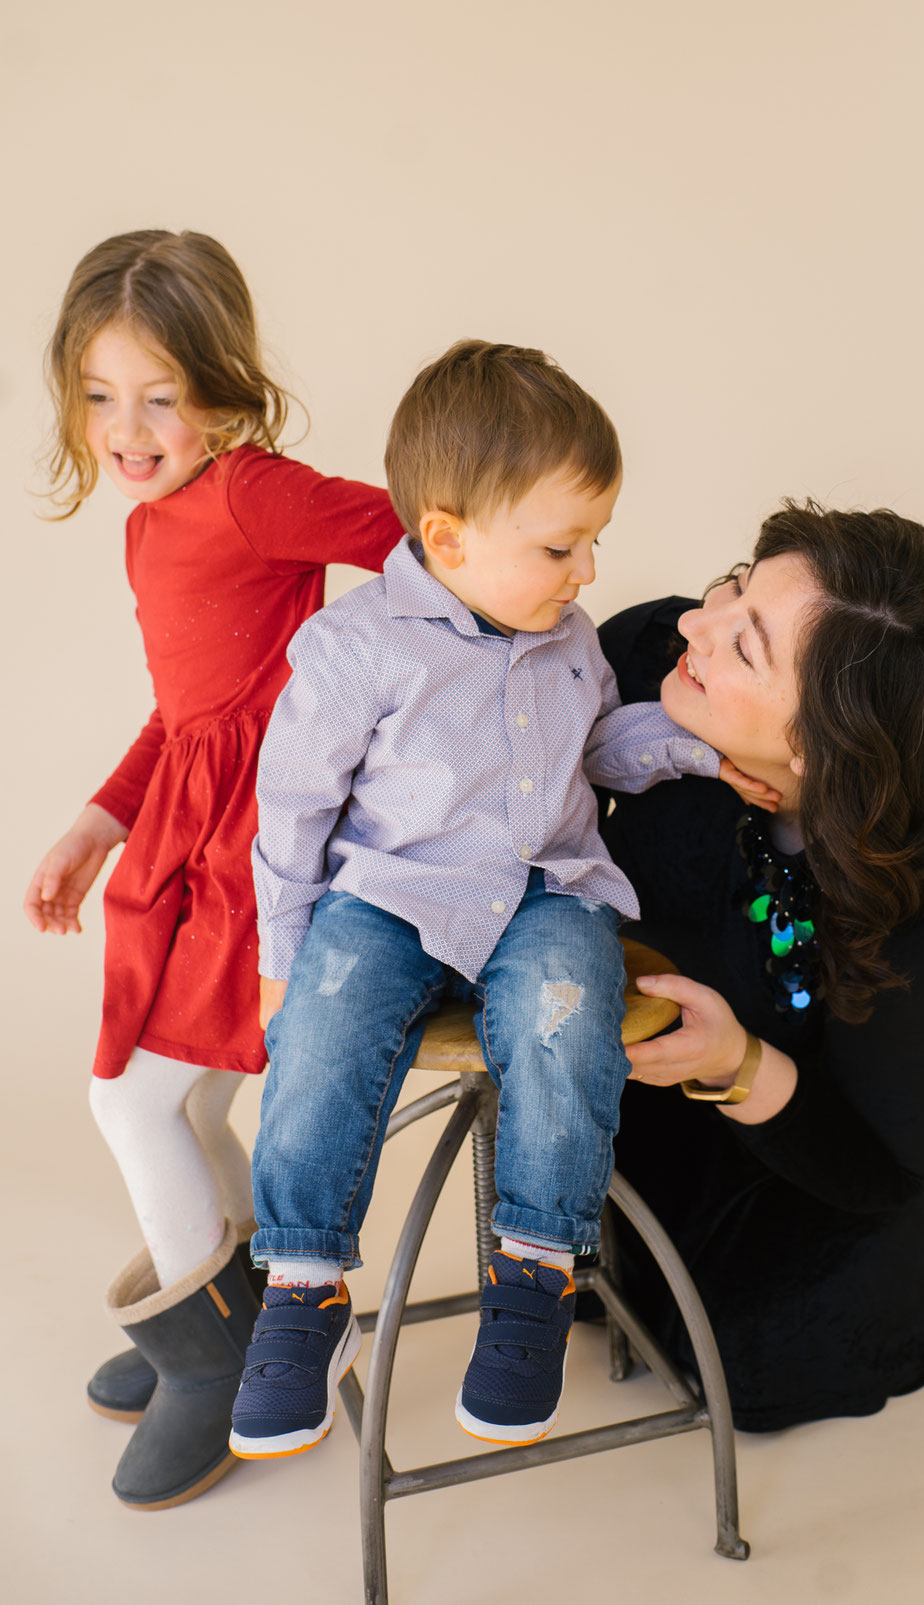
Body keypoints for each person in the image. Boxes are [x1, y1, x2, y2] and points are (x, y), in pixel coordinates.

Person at [227, 339, 724, 1462]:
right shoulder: (357, 650)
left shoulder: (568, 641)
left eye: (594, 540)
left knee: (563, 1001)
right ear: (447, 538)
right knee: (326, 1017)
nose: (586, 571)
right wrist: (282, 953)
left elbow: (594, 749)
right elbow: (293, 810)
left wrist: (692, 746)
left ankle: (534, 1274)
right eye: (559, 546)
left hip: (546, 891)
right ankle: (303, 1288)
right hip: (393, 898)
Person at [23, 230, 404, 1508]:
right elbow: (184, 714)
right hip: (188, 837)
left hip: (266, 852)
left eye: (161, 398)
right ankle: (233, 1314)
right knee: (185, 1108)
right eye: (98, 395)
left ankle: (212, 1360)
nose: (126, 430)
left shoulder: (252, 493)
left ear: (225, 393)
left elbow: (434, 530)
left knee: (131, 1104)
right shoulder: (150, 525)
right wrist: (98, 820)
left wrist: (411, 710)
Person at [594, 500, 924, 1431]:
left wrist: (737, 1066)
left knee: (749, 1355)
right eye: (734, 588)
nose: (694, 623)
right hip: (670, 1045)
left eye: (745, 644)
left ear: (824, 751)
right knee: (593, 1264)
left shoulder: (916, 908)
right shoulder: (652, 661)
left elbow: (877, 1157)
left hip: (837, 1114)